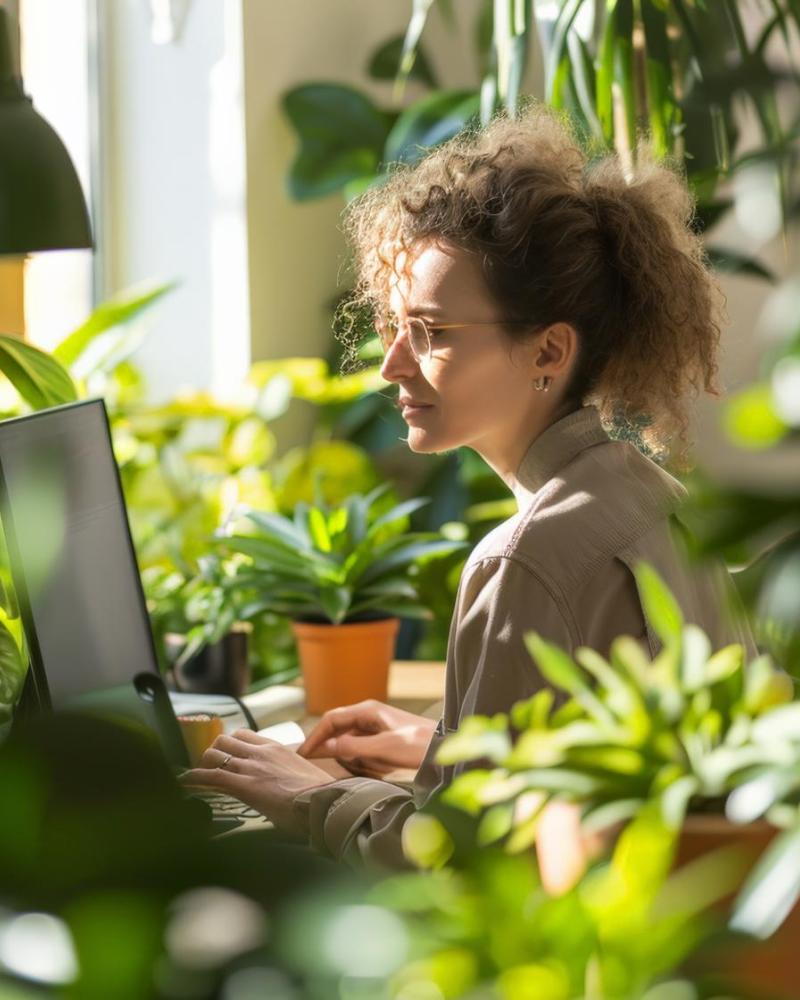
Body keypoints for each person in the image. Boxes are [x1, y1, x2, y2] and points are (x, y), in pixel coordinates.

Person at [182, 102, 757, 870]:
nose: (392, 366)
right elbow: (632, 777)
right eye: (396, 327)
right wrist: (445, 749)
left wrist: (306, 795)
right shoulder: (657, 498)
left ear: (547, 350)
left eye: (432, 333)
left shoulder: (525, 558)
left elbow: (462, 861)